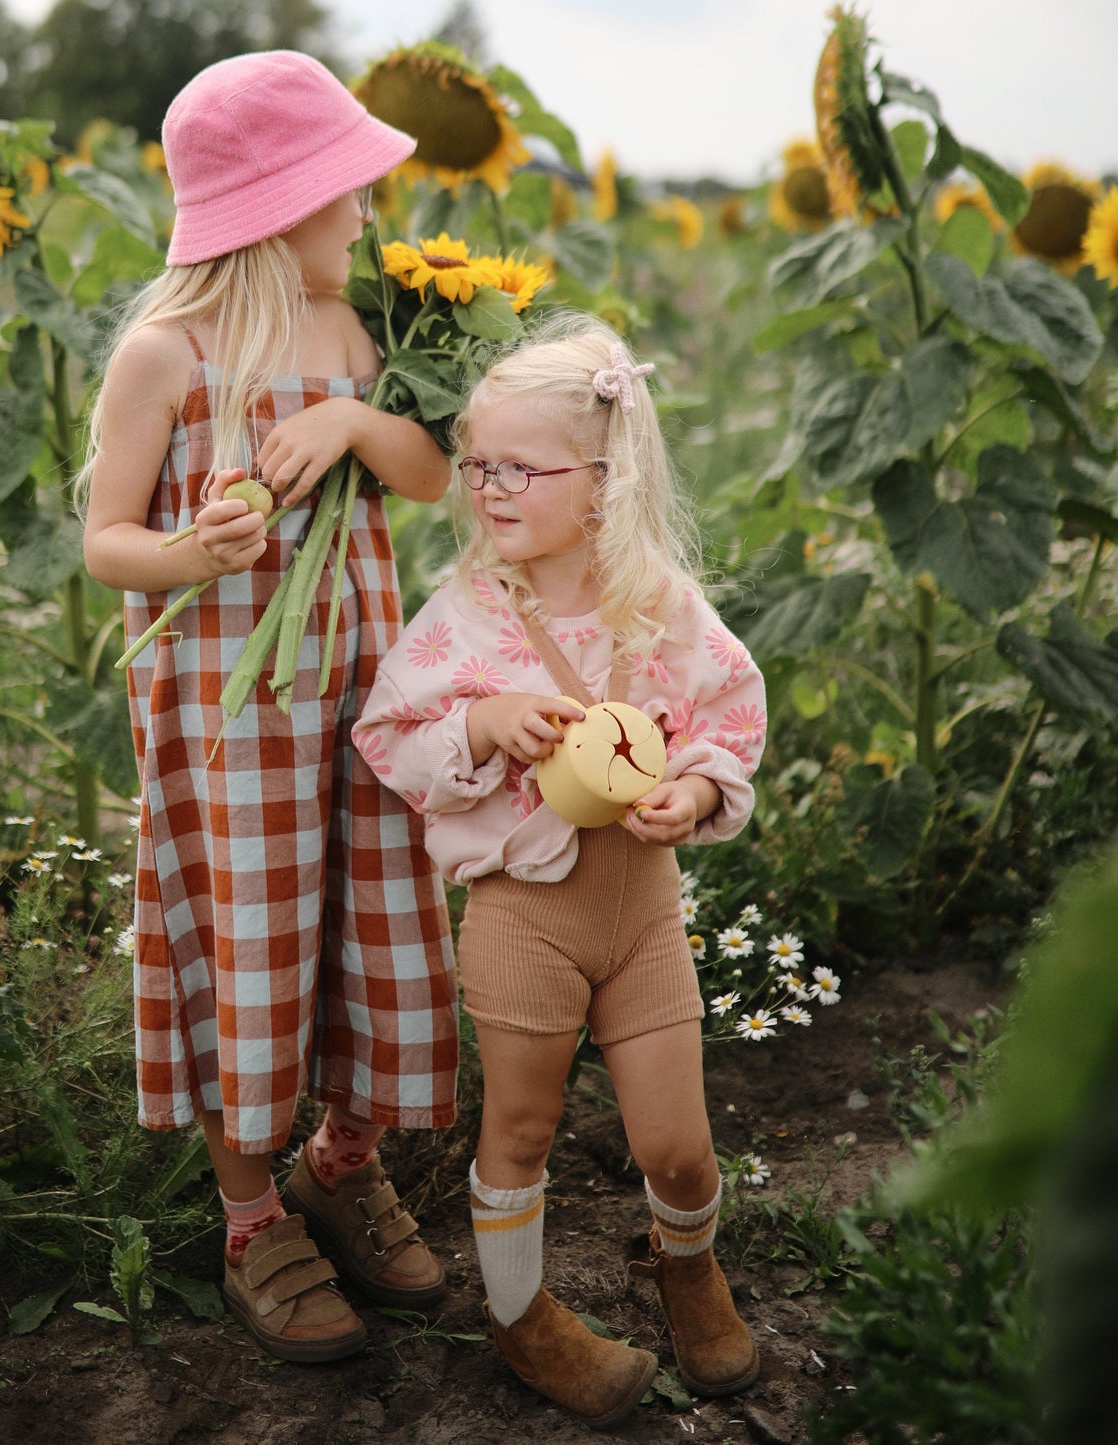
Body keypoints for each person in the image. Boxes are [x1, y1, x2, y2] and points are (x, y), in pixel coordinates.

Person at [77, 51, 459, 1364]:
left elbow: (425, 477)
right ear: (275, 205)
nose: (365, 213)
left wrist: (358, 415)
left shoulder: (353, 334)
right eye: (347, 189)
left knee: (374, 935)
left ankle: (337, 1164)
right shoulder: (165, 354)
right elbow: (105, 539)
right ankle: (251, 1219)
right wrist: (196, 553)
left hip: (357, 700)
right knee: (254, 954)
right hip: (229, 729)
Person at [352, 312, 767, 1425]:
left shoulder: (660, 613)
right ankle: (519, 1309)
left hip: (637, 910)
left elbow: (728, 715)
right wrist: (481, 721)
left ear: (600, 481)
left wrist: (693, 787)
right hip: (521, 913)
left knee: (676, 1144)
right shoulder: (465, 619)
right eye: (475, 464)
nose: (486, 488)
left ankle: (684, 1262)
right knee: (522, 1128)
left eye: (516, 468)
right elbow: (388, 737)